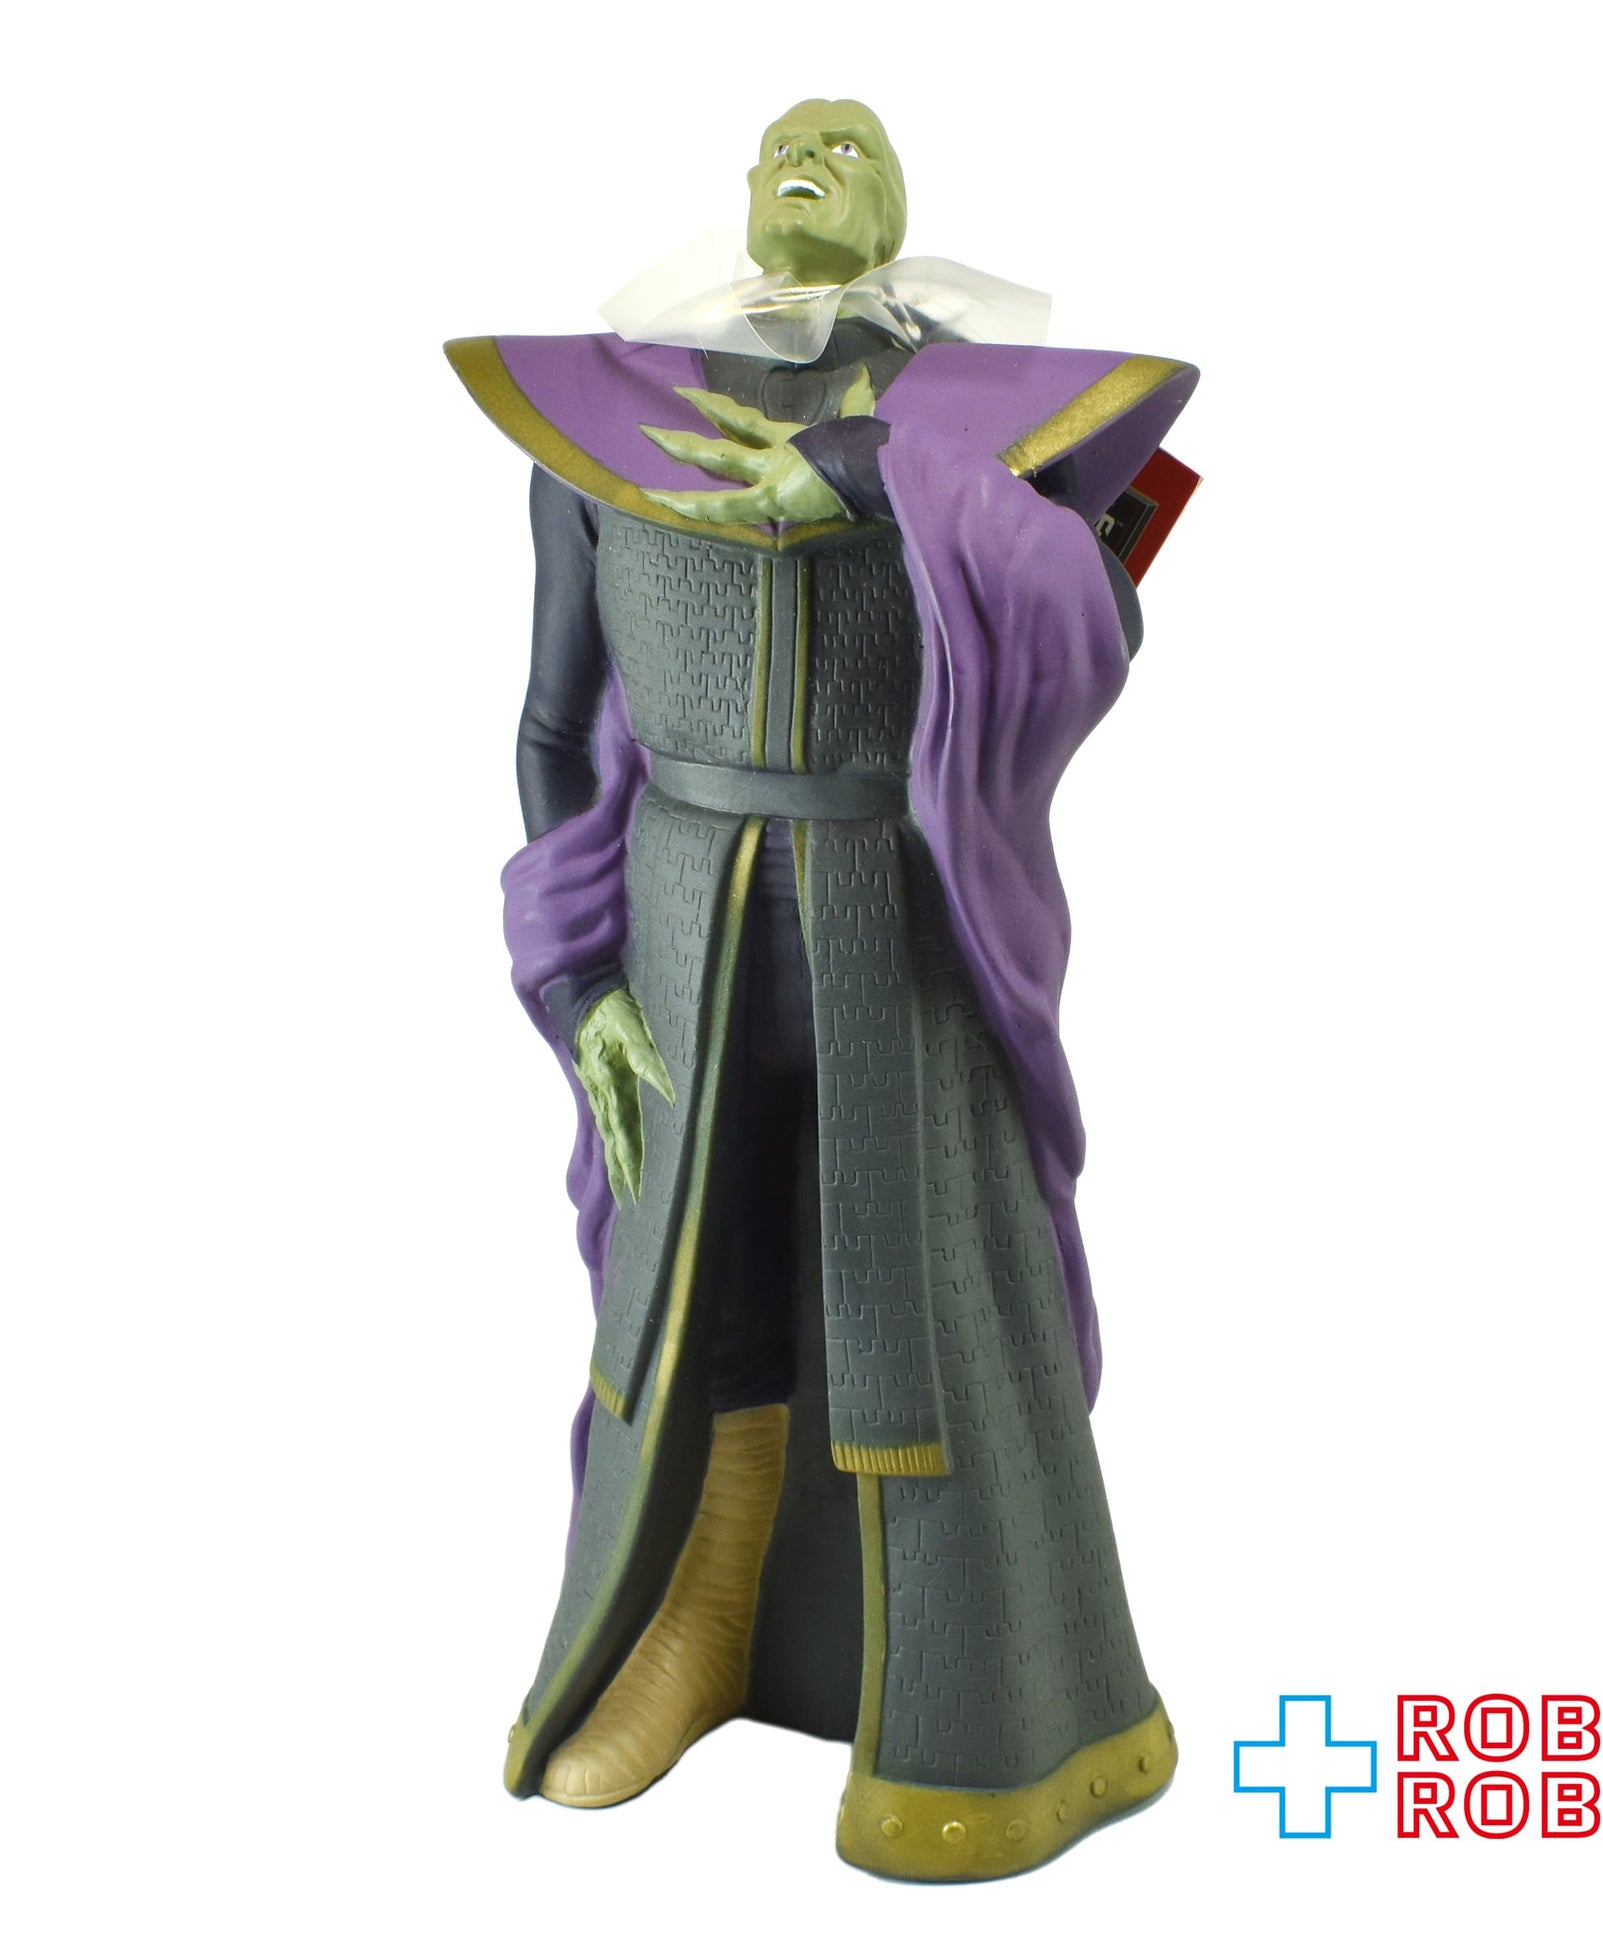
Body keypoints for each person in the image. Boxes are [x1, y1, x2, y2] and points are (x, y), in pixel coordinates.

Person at [446, 98, 1196, 1881]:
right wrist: (578, 981)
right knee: (687, 1291)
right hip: (675, 925)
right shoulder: (600, 418)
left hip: (901, 924)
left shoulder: (989, 426)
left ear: (899, 204)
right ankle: (688, 1628)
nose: (813, 157)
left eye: (850, 145)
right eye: (788, 141)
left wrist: (865, 473)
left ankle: (973, 1714)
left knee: (917, 1300)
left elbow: (1096, 615)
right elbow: (550, 725)